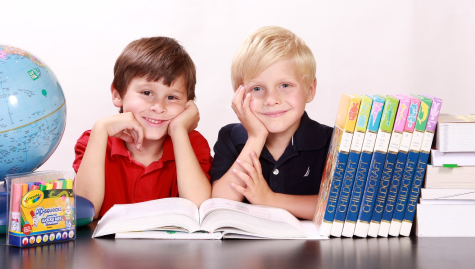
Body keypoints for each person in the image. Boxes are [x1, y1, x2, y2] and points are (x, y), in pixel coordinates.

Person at [73, 37, 212, 218]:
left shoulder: (192, 144)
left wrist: (178, 131)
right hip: (106, 247)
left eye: (172, 97)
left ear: (188, 105)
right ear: (117, 94)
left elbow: (200, 211)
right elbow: (84, 213)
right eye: (147, 93)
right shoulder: (94, 141)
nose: (159, 107)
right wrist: (101, 129)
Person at [211, 26, 332, 219]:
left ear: (310, 89)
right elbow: (219, 203)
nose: (271, 99)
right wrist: (256, 137)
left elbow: (336, 207)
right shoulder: (231, 137)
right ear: (240, 95)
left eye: (285, 85)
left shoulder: (330, 141)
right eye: (257, 88)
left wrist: (270, 199)